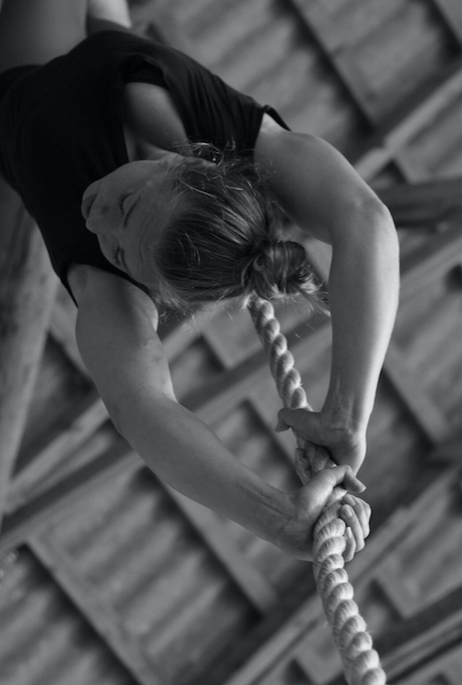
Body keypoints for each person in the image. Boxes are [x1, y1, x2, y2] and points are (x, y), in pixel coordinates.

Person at [0, 0, 399, 562]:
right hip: (113, 45)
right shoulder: (232, 133)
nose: (96, 220)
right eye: (127, 206)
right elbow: (365, 218)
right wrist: (348, 413)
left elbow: (142, 407)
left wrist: (278, 518)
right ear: (191, 167)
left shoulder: (105, 281)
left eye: (118, 249)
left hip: (30, 76)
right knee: (117, 44)